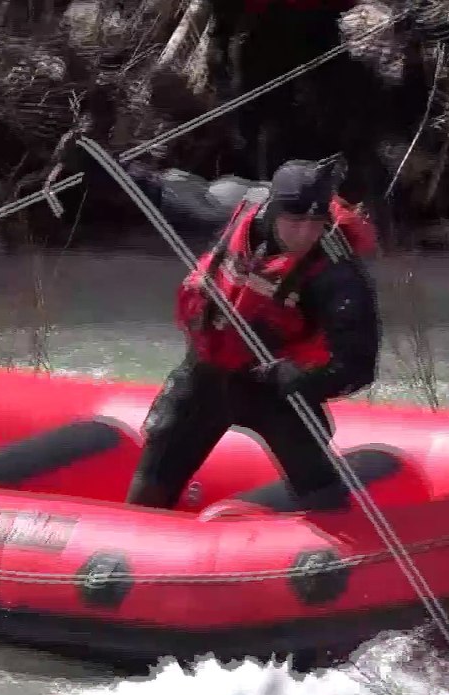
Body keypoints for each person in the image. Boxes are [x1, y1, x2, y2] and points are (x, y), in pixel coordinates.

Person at [92, 157, 383, 511]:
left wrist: (304, 379)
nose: (306, 234)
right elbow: (168, 193)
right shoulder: (237, 213)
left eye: (316, 223)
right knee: (152, 484)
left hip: (277, 389)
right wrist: (109, 171)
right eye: (295, 221)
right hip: (207, 375)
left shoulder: (339, 275)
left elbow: (358, 365)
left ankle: (336, 535)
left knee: (320, 488)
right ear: (273, 212)